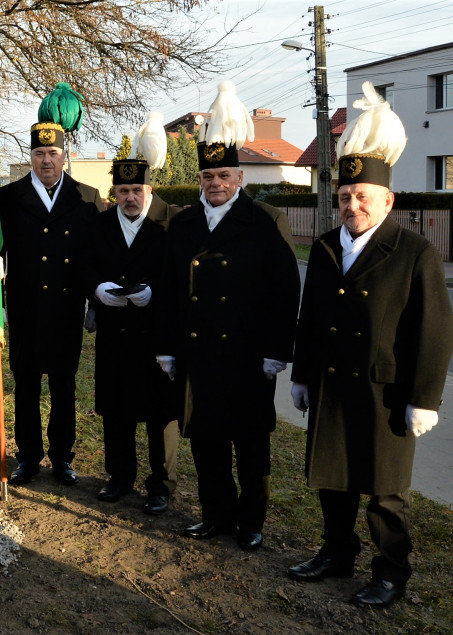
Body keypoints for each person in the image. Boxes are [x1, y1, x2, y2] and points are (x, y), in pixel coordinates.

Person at [286, 82, 453, 608]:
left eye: (362, 197)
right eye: (344, 197)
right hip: (332, 386)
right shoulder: (323, 248)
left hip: (386, 393)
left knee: (385, 493)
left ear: (387, 199)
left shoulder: (413, 251)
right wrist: (299, 374)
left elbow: (435, 330)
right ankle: (336, 552)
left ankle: (390, 572)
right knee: (333, 481)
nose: (352, 205)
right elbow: (309, 317)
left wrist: (424, 397)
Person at [156, 80, 299, 551]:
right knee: (206, 440)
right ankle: (216, 514)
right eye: (207, 178)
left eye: (223, 177)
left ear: (240, 178)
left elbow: (284, 290)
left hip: (248, 354)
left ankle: (251, 520)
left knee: (251, 444)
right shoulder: (184, 224)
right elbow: (172, 291)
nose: (215, 184)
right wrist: (169, 348)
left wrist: (278, 351)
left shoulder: (264, 221)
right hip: (198, 353)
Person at [0, 119, 106, 486]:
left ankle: (62, 457)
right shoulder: (8, 198)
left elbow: (96, 258)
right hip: (25, 310)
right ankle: (27, 457)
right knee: (25, 386)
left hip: (65, 311)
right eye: (40, 153)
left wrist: (96, 300)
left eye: (53, 153)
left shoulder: (86, 198)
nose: (47, 161)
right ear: (31, 156)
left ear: (66, 155)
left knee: (64, 387)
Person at [83, 113, 179, 513]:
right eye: (122, 191)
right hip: (114, 333)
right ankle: (119, 476)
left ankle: (161, 485)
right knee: (117, 410)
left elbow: (181, 276)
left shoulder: (170, 222)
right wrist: (97, 289)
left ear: (149, 189)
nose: (129, 198)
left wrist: (155, 293)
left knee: (161, 414)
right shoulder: (102, 226)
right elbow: (84, 267)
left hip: (155, 335)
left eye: (136, 190)